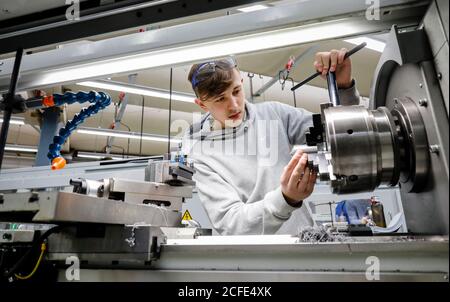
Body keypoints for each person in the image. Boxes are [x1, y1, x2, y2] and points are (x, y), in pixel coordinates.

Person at [182, 49, 360, 235]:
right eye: (220, 99)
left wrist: (343, 88)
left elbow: (343, 133)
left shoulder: (273, 114)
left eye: (236, 91)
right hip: (259, 259)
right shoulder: (201, 154)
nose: (234, 105)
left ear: (242, 82)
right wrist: (285, 199)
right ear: (202, 105)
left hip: (305, 243)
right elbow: (232, 224)